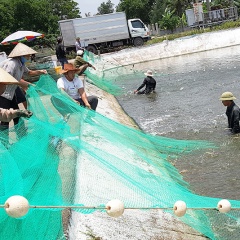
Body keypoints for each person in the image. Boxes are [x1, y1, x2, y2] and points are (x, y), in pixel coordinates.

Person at [0, 43, 47, 132]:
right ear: (21, 55)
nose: (29, 57)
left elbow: (29, 72)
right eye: (27, 55)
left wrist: (40, 71)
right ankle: (5, 143)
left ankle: (21, 135)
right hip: (3, 94)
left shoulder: (21, 64)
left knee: (17, 116)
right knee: (5, 119)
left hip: (11, 93)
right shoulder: (12, 64)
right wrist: (26, 84)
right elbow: (6, 79)